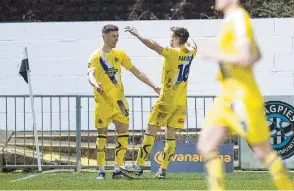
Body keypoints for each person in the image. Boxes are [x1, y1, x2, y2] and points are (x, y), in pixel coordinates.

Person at [197, 0, 294, 190]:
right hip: (226, 94)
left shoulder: (240, 18)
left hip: (242, 96)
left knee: (263, 152)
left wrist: (214, 54)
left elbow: (245, 57)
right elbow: (257, 54)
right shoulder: (230, 20)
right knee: (206, 145)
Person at [121, 26, 197, 179]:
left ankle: (138, 166)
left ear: (177, 38)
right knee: (170, 136)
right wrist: (185, 35)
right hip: (181, 103)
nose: (170, 39)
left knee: (150, 132)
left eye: (172, 37)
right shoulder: (191, 53)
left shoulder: (172, 53)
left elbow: (153, 45)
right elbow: (194, 44)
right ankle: (162, 170)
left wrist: (138, 35)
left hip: (166, 101)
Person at [87, 24, 160, 180]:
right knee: (102, 137)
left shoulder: (120, 54)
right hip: (103, 103)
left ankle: (117, 169)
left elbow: (136, 71)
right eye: (113, 36)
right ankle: (101, 170)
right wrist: (95, 84)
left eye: (117, 36)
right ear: (104, 36)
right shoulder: (96, 56)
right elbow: (90, 73)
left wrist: (153, 85)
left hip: (120, 103)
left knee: (123, 135)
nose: (116, 39)